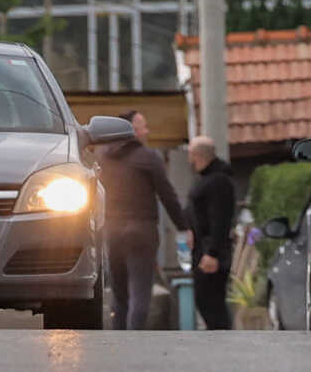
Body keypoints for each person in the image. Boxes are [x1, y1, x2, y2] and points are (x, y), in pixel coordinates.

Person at [93, 110, 187, 330]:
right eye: (143, 126)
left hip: (112, 231)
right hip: (141, 231)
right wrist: (184, 227)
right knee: (140, 291)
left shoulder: (103, 158)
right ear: (131, 130)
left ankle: (118, 340)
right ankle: (135, 341)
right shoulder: (147, 157)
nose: (147, 131)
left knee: (119, 293)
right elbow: (168, 195)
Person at [185, 135, 235, 331]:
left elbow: (220, 220)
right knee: (206, 300)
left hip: (212, 253)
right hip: (203, 249)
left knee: (210, 301)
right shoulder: (208, 178)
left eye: (190, 155)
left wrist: (212, 253)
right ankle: (219, 340)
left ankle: (222, 342)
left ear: (197, 155)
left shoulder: (218, 181)